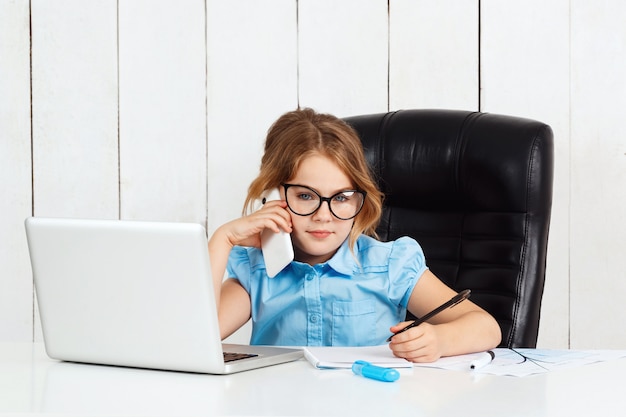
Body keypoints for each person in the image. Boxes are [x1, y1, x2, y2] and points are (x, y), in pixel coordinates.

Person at [208, 108, 501, 363]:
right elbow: (195, 337)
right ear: (272, 195)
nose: (323, 215)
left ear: (360, 200)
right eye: (306, 196)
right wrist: (223, 239)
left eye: (342, 197)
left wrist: (440, 340)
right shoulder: (256, 271)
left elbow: (486, 327)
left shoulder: (389, 265)